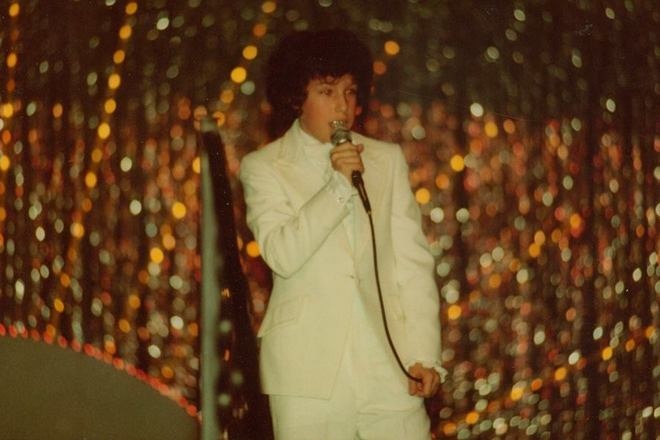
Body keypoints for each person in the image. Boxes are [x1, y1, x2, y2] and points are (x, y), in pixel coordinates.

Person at [239, 28, 446, 440]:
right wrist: (337, 186)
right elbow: (282, 253)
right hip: (307, 374)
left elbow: (413, 264)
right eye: (327, 91)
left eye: (350, 92)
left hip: (389, 364)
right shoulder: (263, 166)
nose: (342, 105)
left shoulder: (385, 159)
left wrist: (425, 354)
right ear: (297, 97)